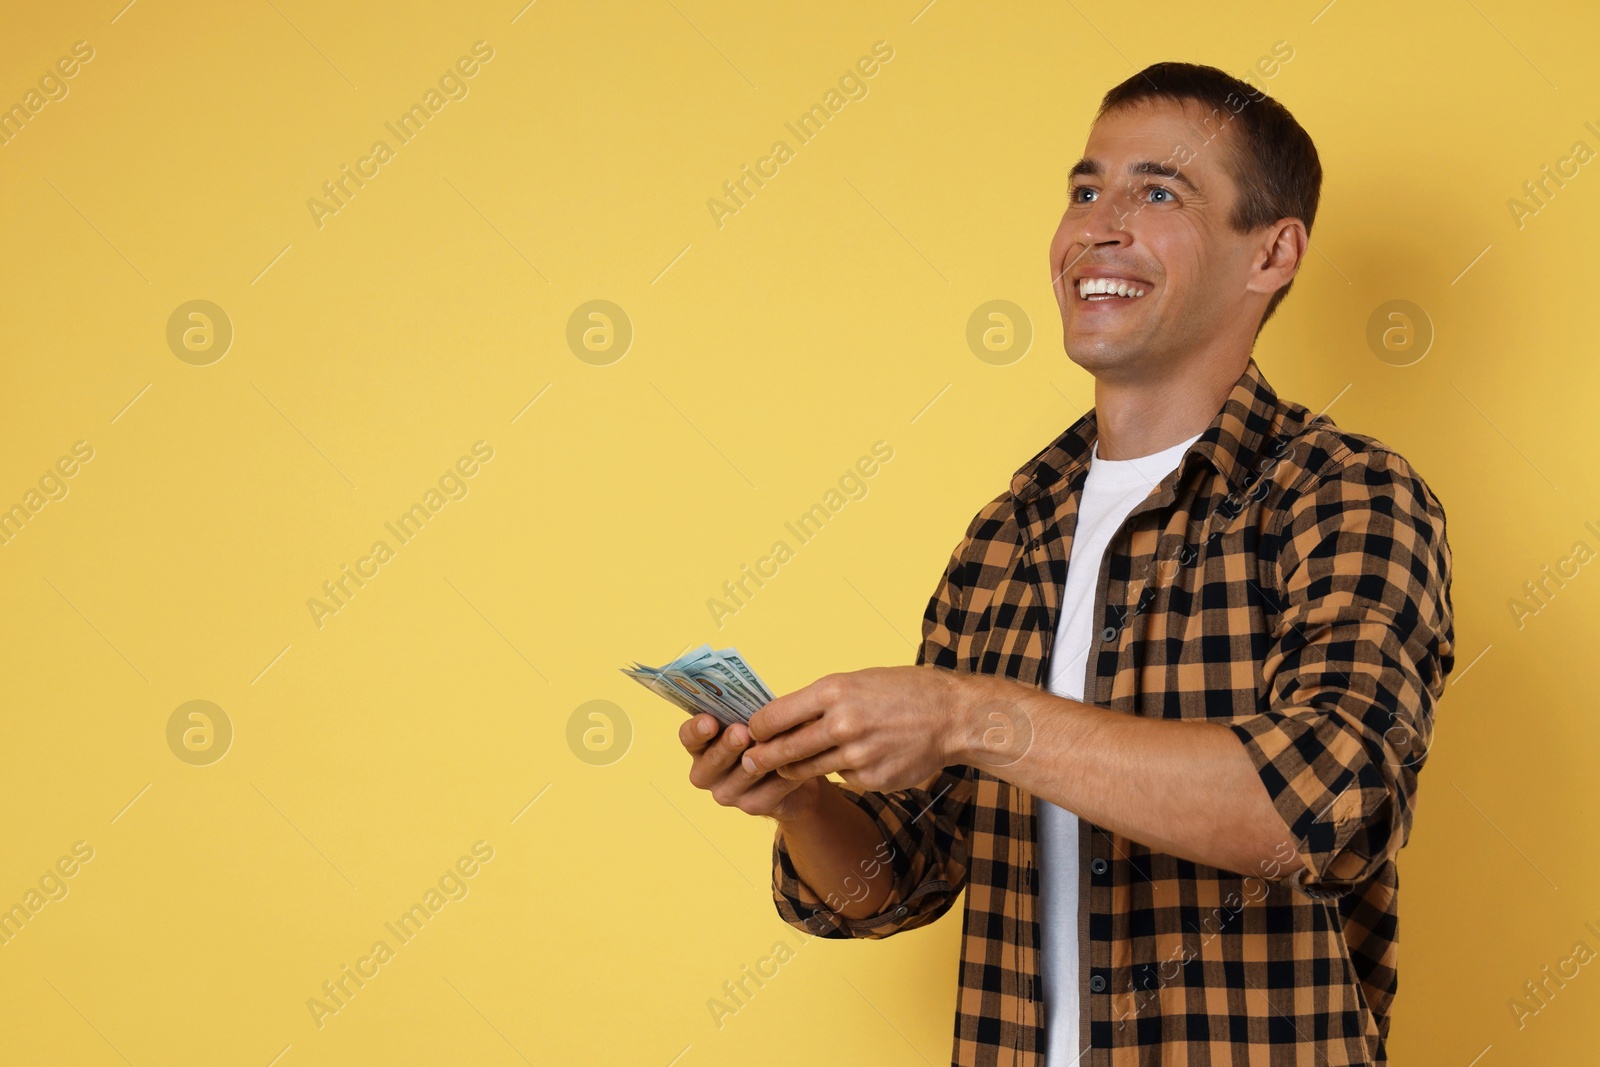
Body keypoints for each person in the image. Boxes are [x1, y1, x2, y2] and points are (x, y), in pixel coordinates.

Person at [678, 60, 1453, 1067]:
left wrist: (969, 714)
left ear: (1271, 252)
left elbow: (1328, 808)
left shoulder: (1342, 494)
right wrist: (798, 798)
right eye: (1085, 189)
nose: (1098, 223)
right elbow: (900, 877)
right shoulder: (1007, 533)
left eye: (1157, 191)